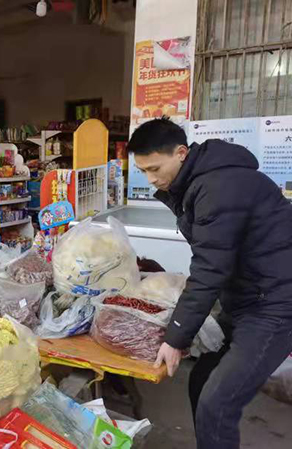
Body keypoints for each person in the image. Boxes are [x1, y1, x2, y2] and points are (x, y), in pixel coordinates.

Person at [128, 117, 292, 449]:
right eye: (142, 171)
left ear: (181, 153)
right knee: (202, 379)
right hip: (248, 297)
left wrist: (176, 337)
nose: (151, 178)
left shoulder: (218, 187)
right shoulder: (199, 181)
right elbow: (215, 262)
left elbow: (209, 270)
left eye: (155, 168)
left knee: (217, 403)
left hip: (274, 304)